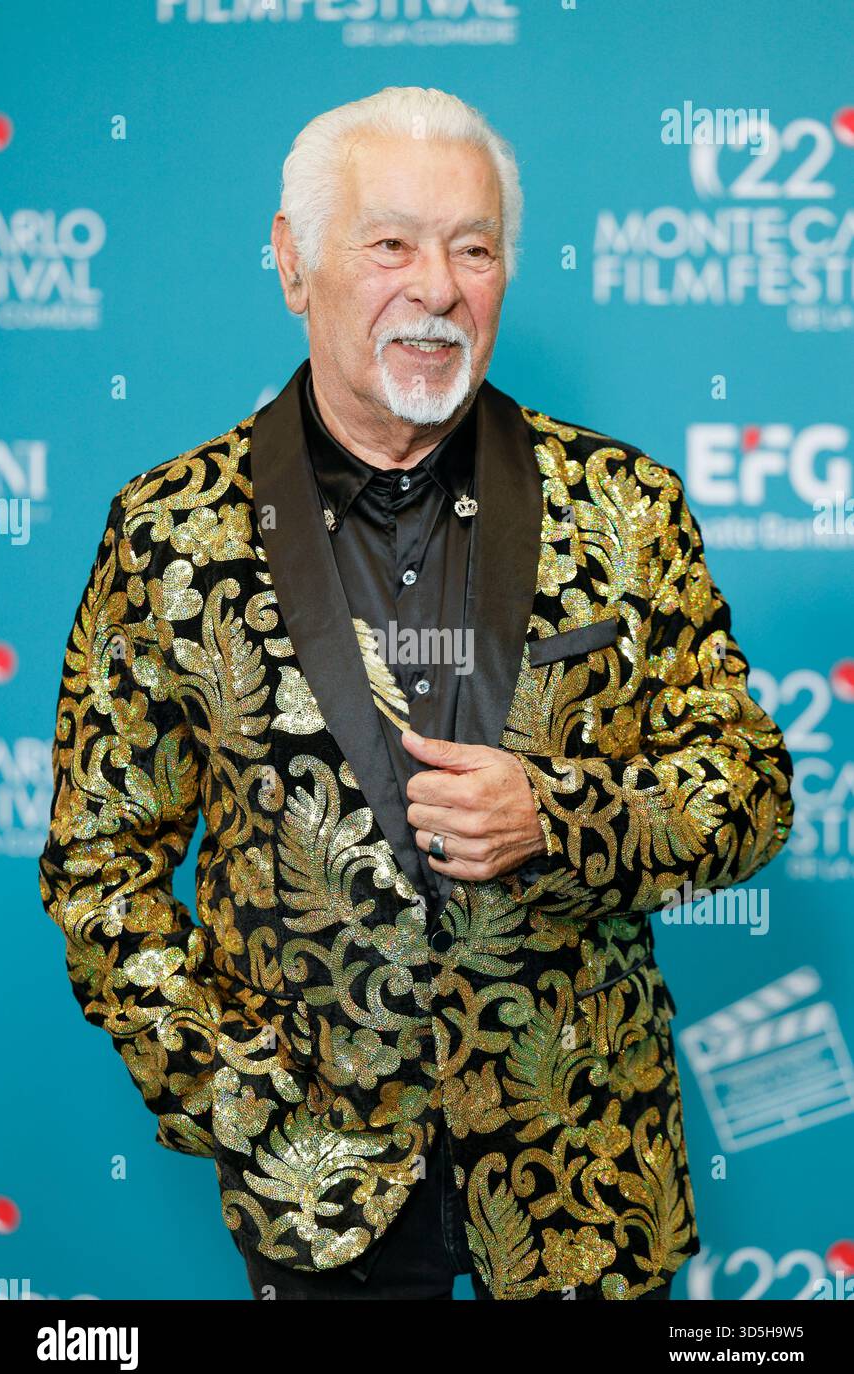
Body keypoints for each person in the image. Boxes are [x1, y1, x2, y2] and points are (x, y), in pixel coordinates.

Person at [39, 85, 795, 1301]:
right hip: (316, 1197)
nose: (437, 286)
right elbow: (97, 865)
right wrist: (240, 1093)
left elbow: (750, 790)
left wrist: (564, 816)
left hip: (583, 1181)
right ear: (293, 263)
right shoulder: (167, 534)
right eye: (390, 243)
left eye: (475, 248)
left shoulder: (627, 506)